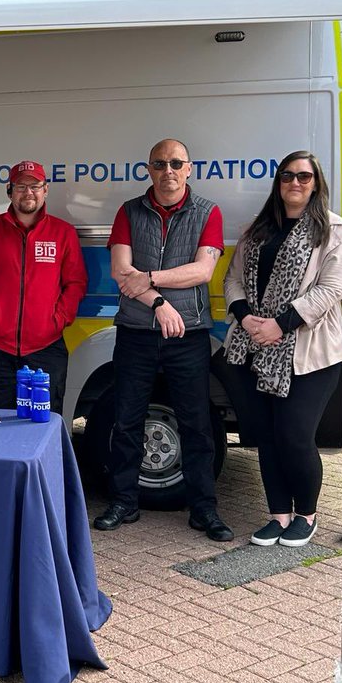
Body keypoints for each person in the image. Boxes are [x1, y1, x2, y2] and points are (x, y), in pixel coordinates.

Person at [93, 138, 232, 541]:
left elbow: (202, 271)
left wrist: (150, 277)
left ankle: (204, 508)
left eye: (176, 163)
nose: (167, 171)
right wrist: (158, 303)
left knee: (196, 422)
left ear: (189, 168)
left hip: (189, 334)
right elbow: (121, 270)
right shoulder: (128, 211)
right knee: (127, 419)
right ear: (149, 169)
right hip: (137, 332)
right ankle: (123, 501)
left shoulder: (208, 212)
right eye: (159, 163)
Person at [222, 151, 342, 548]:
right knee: (267, 435)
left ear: (316, 184)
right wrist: (247, 319)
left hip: (308, 352)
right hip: (254, 347)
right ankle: (278, 514)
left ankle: (306, 514)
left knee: (295, 436)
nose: (295, 183)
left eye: (304, 177)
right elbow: (233, 281)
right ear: (278, 183)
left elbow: (333, 289)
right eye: (287, 176)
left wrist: (281, 324)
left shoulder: (333, 230)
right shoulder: (256, 230)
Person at [0, 160, 86, 412]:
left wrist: (59, 318)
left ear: (45, 190)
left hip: (46, 347)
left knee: (44, 422)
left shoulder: (63, 233)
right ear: (10, 190)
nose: (28, 192)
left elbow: (76, 282)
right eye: (20, 186)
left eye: (35, 186)